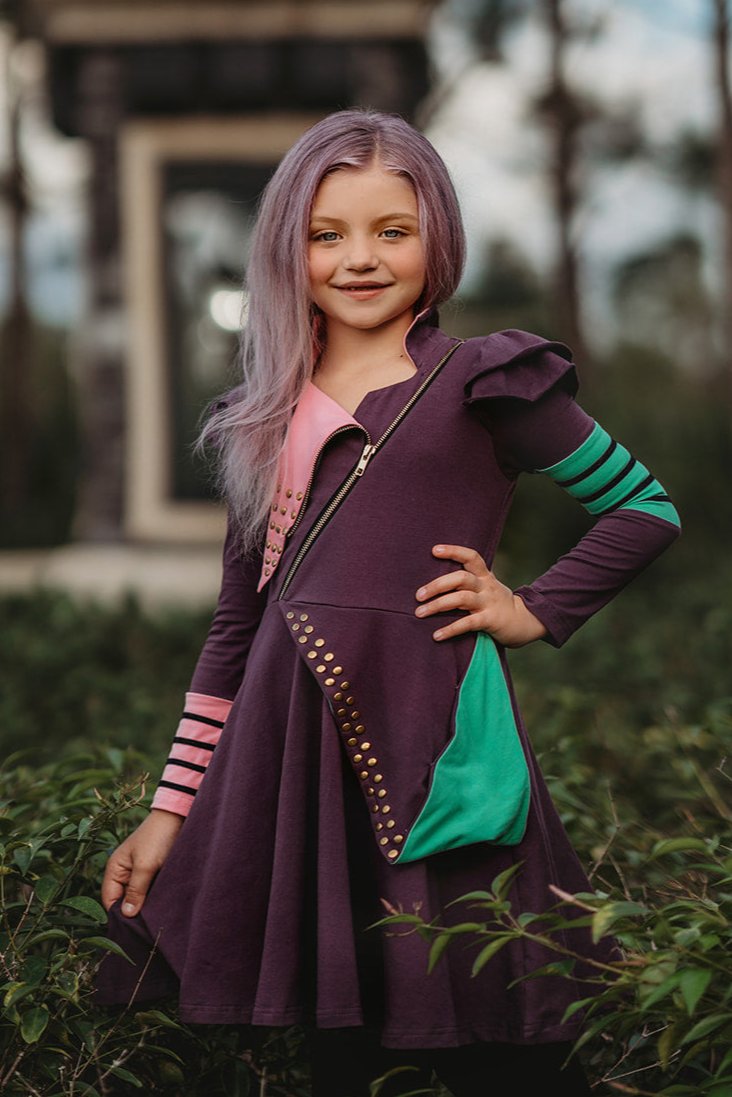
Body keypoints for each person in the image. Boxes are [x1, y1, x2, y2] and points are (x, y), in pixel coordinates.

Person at [95, 109, 680, 1096]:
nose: (359, 259)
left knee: (504, 1031)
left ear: (435, 236)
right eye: (328, 234)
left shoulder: (484, 379)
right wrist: (169, 809)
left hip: (435, 751)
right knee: (350, 1048)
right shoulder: (259, 414)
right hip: (293, 775)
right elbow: (236, 631)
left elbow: (644, 505)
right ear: (291, 244)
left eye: (391, 231)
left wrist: (532, 606)